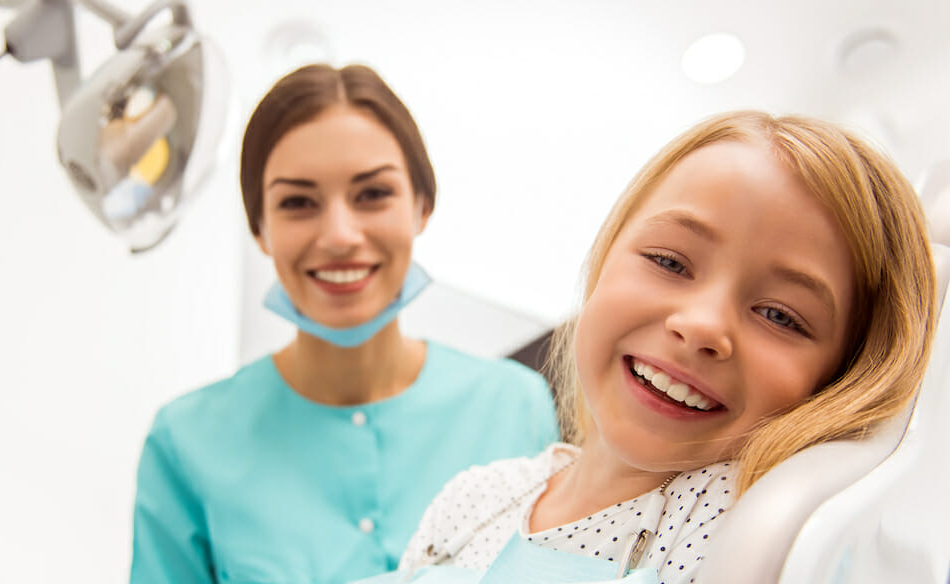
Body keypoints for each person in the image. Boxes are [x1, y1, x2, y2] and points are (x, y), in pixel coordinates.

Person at [392, 111, 936, 584]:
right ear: (605, 257)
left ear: (842, 377)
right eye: (670, 262)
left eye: (779, 316)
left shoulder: (742, 525)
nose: (701, 327)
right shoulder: (476, 496)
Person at [129, 64, 560, 584]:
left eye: (372, 194)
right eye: (298, 203)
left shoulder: (515, 406)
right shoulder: (187, 441)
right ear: (260, 230)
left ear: (422, 207)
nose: (339, 235)